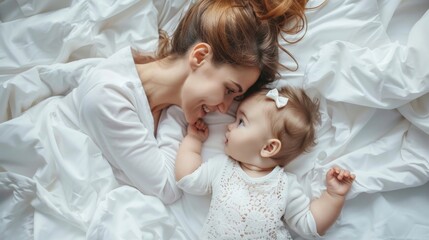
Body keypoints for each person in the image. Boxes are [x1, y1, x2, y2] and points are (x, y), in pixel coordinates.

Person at [0, 0, 310, 204]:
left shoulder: (167, 89)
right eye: (229, 90)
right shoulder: (109, 97)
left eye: (235, 97)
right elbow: (169, 187)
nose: (223, 108)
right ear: (200, 56)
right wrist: (179, 122)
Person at [175, 86, 356, 239]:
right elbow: (188, 178)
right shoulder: (222, 167)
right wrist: (193, 141)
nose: (229, 126)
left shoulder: (285, 186)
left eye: (241, 122)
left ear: (269, 148)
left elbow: (311, 224)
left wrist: (334, 196)